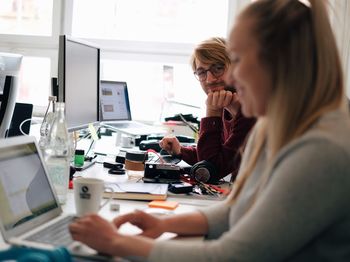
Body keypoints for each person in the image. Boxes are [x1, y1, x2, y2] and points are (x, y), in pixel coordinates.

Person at [69, 0, 350, 260]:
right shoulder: (276, 124)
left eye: (236, 60)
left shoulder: (322, 148)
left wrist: (115, 242)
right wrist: (162, 223)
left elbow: (233, 256)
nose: (228, 78)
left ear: (279, 63)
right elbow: (238, 208)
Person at [159, 37, 255, 182]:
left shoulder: (251, 109)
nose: (210, 79)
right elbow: (217, 155)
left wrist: (212, 112)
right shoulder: (228, 106)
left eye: (218, 68)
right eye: (202, 72)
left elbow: (209, 168)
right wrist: (180, 151)